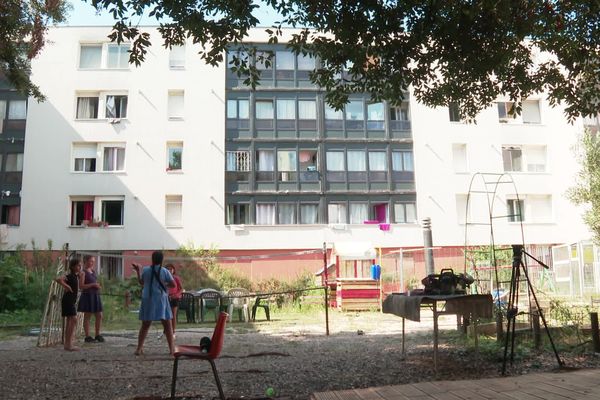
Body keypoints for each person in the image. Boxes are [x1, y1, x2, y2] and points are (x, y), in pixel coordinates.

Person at [132, 251, 176, 356]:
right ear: (162, 260)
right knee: (167, 324)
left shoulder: (146, 270)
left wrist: (138, 271)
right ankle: (172, 349)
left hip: (148, 298)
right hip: (161, 299)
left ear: (152, 259)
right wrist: (164, 284)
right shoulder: (165, 271)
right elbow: (173, 284)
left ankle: (139, 348)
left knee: (145, 325)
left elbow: (142, 282)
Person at [55, 258, 82, 351]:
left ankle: (68, 344)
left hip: (71, 300)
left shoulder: (76, 276)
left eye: (80, 265)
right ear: (73, 266)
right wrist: (67, 286)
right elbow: (58, 279)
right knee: (73, 319)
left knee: (70, 321)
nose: (80, 267)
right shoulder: (70, 276)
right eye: (78, 265)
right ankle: (68, 344)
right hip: (68, 300)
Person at [77, 255, 104, 343]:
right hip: (87, 296)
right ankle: (87, 336)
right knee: (87, 316)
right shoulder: (83, 272)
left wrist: (97, 286)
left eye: (93, 261)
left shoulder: (92, 271)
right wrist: (92, 285)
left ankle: (97, 335)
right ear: (86, 261)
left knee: (99, 315)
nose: (93, 263)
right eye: (91, 261)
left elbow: (94, 282)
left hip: (95, 295)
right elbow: (81, 286)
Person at [166, 264, 184, 337]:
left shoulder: (176, 278)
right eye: (167, 269)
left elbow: (181, 289)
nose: (169, 270)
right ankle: (166, 330)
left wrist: (176, 295)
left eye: (171, 269)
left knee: (173, 315)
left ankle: (173, 332)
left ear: (173, 270)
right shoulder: (164, 279)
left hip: (174, 298)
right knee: (166, 316)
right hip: (166, 298)